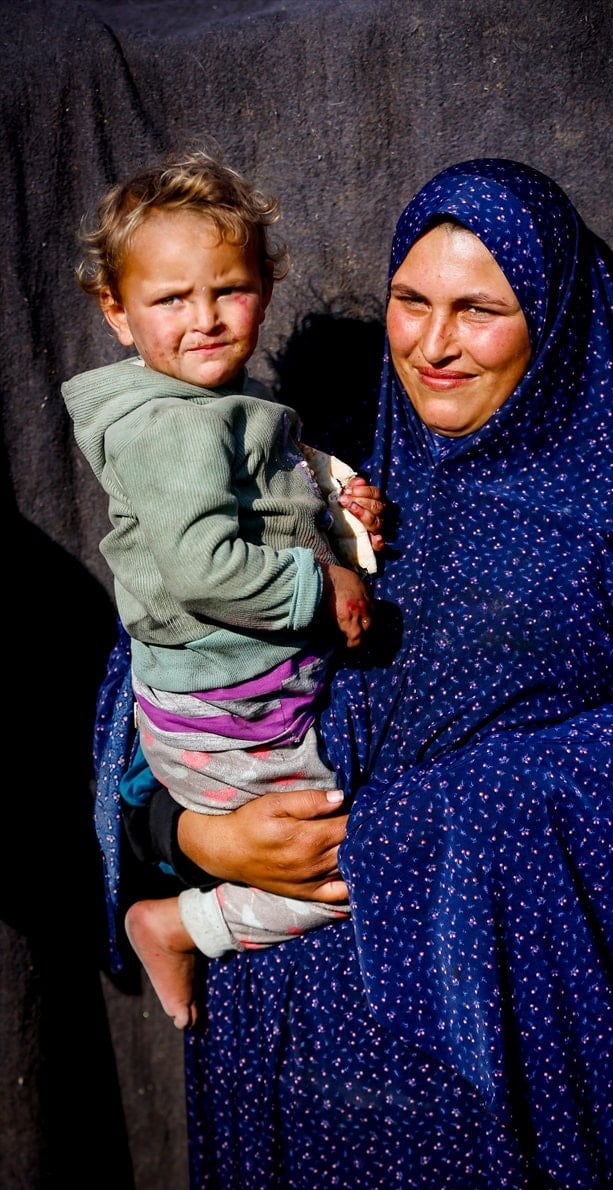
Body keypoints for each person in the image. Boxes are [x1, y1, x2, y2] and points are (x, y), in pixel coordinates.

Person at [94, 159, 613, 1190]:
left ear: (552, 321)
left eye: (479, 311)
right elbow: (152, 689)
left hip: (490, 1084)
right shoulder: (318, 468)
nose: (431, 344)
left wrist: (434, 816)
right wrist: (191, 836)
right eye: (411, 302)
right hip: (280, 1062)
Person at [63, 145, 385, 1031]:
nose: (203, 319)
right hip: (230, 717)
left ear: (266, 288)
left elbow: (259, 496)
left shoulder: (212, 406)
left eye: (229, 290)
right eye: (170, 299)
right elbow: (206, 568)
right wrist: (322, 581)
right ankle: (177, 926)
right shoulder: (169, 426)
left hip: (237, 699)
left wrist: (332, 505)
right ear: (117, 312)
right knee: (350, 863)